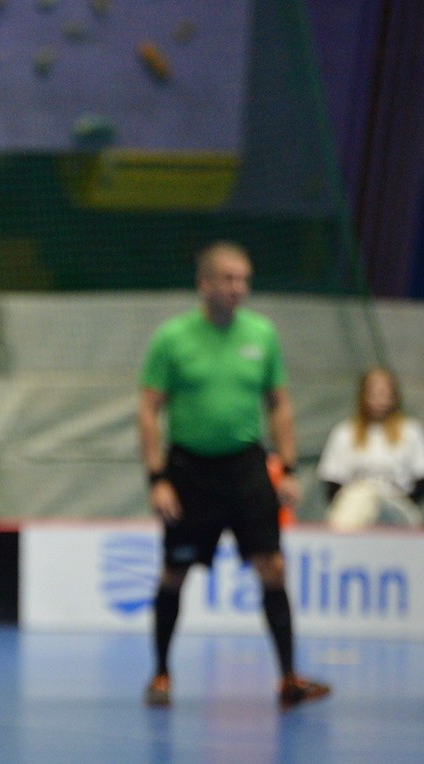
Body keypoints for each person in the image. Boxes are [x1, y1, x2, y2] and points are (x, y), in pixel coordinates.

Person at [137, 241, 331, 709]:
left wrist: (287, 467)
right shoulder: (172, 338)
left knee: (273, 567)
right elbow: (148, 409)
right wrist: (157, 478)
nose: (238, 287)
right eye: (228, 278)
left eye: (244, 279)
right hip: (189, 471)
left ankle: (288, 678)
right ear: (204, 283)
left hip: (246, 467)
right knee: (174, 572)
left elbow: (279, 404)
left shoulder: (262, 334)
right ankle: (161, 674)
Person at [318, 366, 424, 530]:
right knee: (359, 497)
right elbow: (332, 482)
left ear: (395, 397)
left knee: (366, 498)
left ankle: (340, 536)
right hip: (356, 506)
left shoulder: (411, 431)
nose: (380, 401)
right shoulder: (344, 433)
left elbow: (423, 480)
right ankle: (342, 539)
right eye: (374, 394)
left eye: (385, 394)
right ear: (363, 396)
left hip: (398, 506)